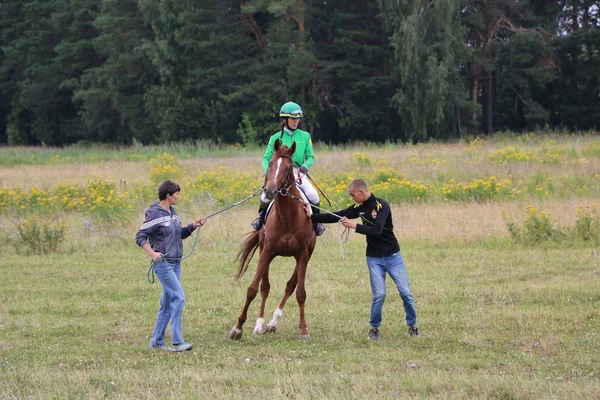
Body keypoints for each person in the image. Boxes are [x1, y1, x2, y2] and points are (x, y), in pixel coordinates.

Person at [311, 178, 418, 340]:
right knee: (379, 294)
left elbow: (377, 231)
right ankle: (374, 328)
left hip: (393, 256)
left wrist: (353, 226)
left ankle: (412, 325)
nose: (352, 198)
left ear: (362, 192)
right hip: (373, 258)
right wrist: (311, 216)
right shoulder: (358, 208)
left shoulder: (382, 206)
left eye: (353, 195)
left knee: (405, 293)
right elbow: (338, 215)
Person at [135, 179, 207, 352]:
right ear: (168, 195)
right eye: (176, 194)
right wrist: (152, 253)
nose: (178, 197)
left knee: (167, 303)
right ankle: (177, 341)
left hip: (176, 263)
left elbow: (179, 234)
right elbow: (140, 236)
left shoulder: (173, 212)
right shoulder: (155, 214)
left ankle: (157, 341)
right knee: (179, 297)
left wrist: (193, 226)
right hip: (163, 264)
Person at [251, 101, 325, 236]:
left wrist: (305, 167)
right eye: (293, 119)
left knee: (313, 195)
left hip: (297, 174)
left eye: (297, 119)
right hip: (279, 173)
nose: (296, 122)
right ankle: (260, 219)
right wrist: (269, 172)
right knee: (265, 197)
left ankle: (316, 222)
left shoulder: (305, 136)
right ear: (285, 119)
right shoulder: (275, 138)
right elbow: (266, 158)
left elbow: (310, 157)